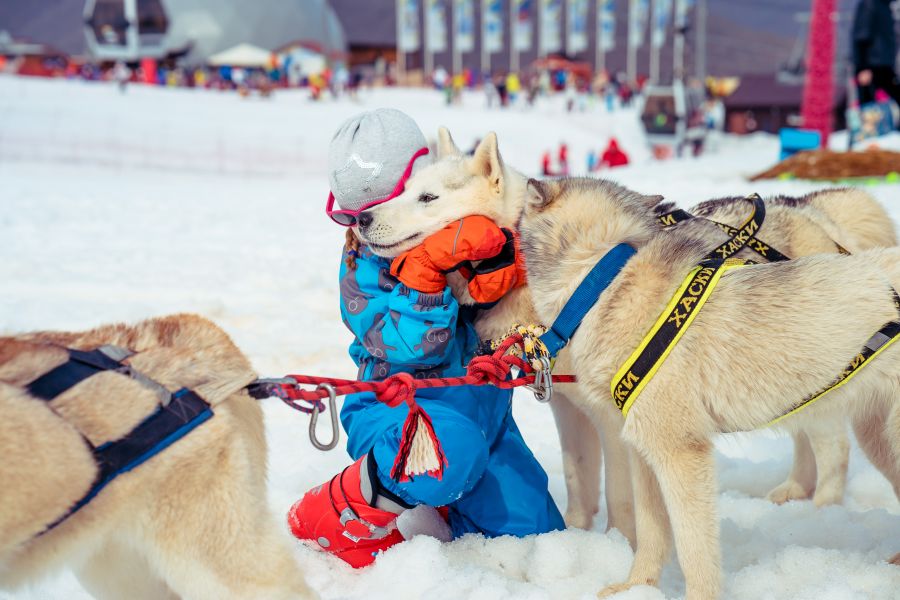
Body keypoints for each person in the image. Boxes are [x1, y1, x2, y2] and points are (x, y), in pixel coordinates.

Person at [288, 109, 564, 568]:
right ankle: (333, 512)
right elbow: (406, 350)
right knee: (451, 453)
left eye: (378, 208)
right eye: (350, 216)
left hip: (484, 422)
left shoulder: (462, 227)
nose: (365, 227)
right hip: (396, 413)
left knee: (535, 541)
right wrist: (422, 278)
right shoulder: (365, 266)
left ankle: (443, 496)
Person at [852, 0, 900, 108]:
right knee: (868, 108)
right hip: (871, 66)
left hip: (884, 65)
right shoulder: (869, 4)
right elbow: (862, 37)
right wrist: (863, 68)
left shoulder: (885, 6)